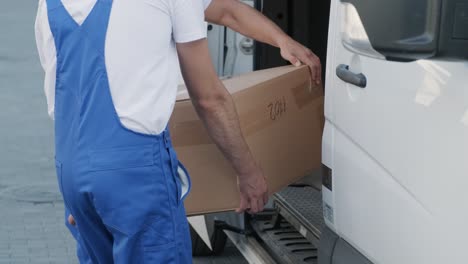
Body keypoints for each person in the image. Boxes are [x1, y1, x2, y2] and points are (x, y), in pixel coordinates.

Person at [35, 0, 321, 262]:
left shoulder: (49, 4)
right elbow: (209, 98)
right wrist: (248, 173)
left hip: (73, 167)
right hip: (135, 174)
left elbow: (225, 10)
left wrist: (281, 40)